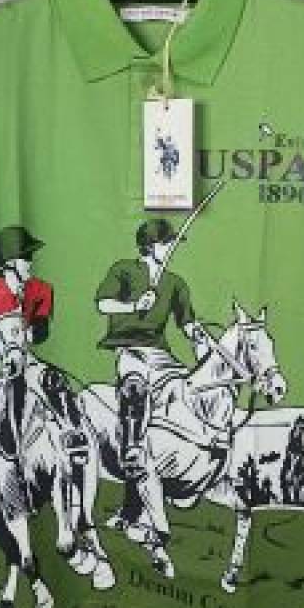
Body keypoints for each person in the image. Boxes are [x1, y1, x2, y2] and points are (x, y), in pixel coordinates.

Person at [94, 218, 207, 540]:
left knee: (189, 389)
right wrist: (133, 304)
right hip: (130, 349)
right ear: (151, 245)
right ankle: (132, 447)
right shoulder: (124, 270)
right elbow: (102, 303)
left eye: (173, 243)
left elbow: (188, 324)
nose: (171, 248)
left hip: (160, 354)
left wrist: (200, 340)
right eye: (167, 243)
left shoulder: (175, 283)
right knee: (135, 386)